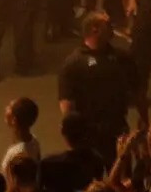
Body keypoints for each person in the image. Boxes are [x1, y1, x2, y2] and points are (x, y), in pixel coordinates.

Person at [57, 12, 134, 154]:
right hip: (88, 133)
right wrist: (71, 138)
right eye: (108, 25)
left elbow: (137, 88)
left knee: (120, 164)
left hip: (117, 129)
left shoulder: (122, 58)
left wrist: (144, 119)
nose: (112, 27)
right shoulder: (74, 63)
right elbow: (67, 103)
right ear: (95, 29)